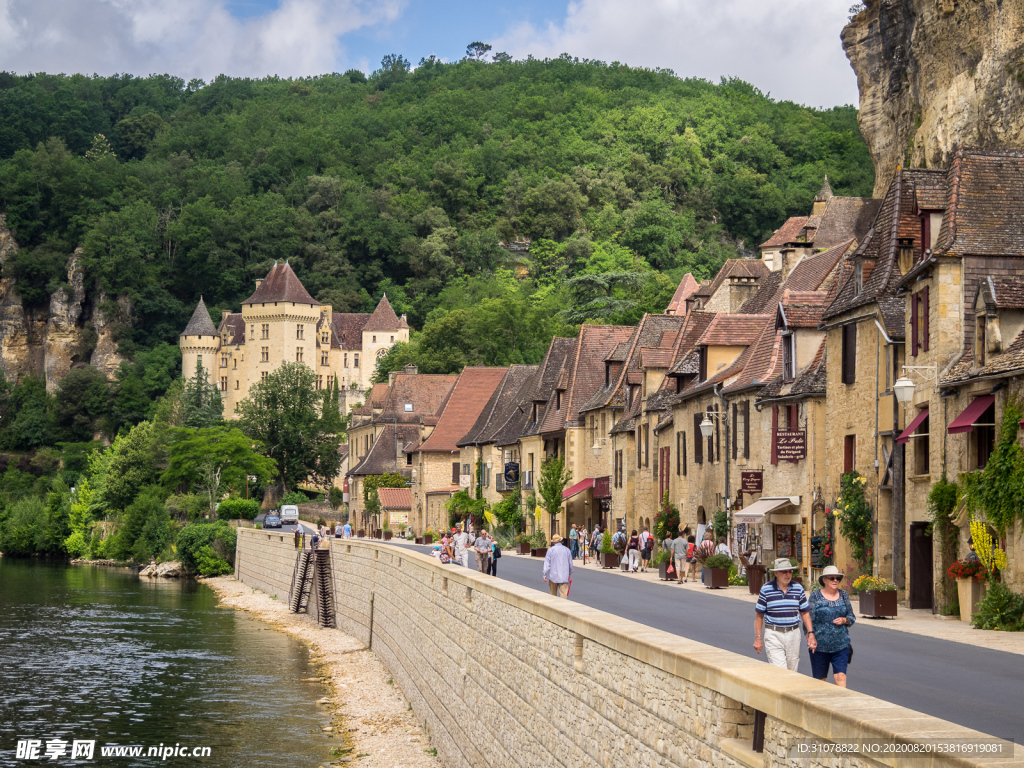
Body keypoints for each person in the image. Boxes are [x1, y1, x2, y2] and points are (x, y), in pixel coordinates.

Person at [754, 558, 815, 671]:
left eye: (790, 571)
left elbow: (805, 613)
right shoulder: (766, 589)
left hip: (793, 634)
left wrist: (810, 633)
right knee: (780, 670)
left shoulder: (798, 588)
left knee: (792, 671)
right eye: (784, 572)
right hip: (774, 634)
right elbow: (759, 616)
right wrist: (758, 638)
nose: (788, 575)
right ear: (776, 573)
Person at [808, 565, 856, 687]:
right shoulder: (815, 596)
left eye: (837, 578)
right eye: (832, 578)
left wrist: (844, 620)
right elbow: (808, 620)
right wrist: (810, 637)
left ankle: (841, 704)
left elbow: (852, 617)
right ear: (824, 580)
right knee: (820, 681)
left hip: (841, 644)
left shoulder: (843, 595)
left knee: (840, 676)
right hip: (820, 647)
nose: (835, 580)